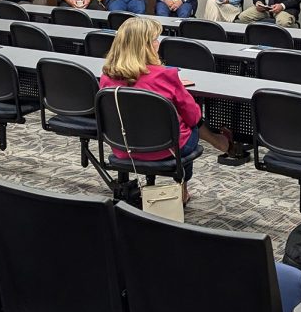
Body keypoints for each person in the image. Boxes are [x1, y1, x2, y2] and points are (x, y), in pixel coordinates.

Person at [97, 18, 233, 205]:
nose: (158, 44)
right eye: (154, 39)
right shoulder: (164, 75)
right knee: (186, 125)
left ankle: (216, 147)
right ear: (144, 46)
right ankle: (182, 186)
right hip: (164, 150)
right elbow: (193, 116)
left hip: (123, 148)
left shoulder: (106, 77)